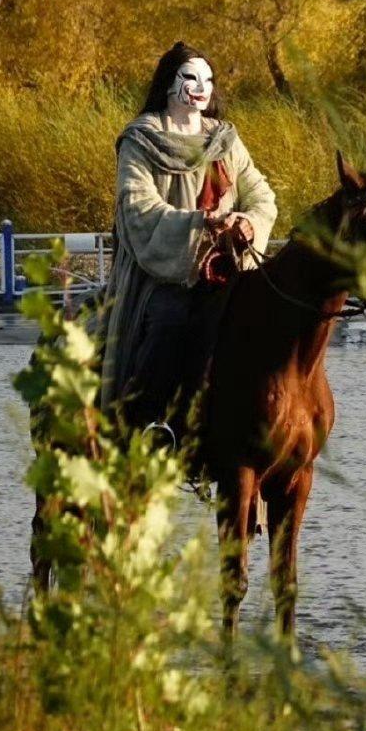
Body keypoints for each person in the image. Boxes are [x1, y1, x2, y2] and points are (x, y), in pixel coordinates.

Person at [99, 41, 277, 444]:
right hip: (164, 271)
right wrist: (202, 223)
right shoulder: (141, 140)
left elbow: (262, 196)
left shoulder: (225, 140)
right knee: (171, 320)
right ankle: (149, 420)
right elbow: (138, 207)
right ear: (169, 83)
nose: (201, 88)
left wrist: (248, 223)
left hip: (227, 267)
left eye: (208, 80)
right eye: (191, 78)